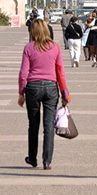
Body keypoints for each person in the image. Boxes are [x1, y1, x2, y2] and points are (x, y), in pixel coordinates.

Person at [18, 19, 69, 170]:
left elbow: (23, 74)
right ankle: (47, 161)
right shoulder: (55, 48)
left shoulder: (29, 48)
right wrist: (64, 93)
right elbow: (61, 72)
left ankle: (32, 159)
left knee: (33, 124)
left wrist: (21, 93)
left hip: (33, 87)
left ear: (32, 31)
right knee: (48, 125)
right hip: (51, 88)